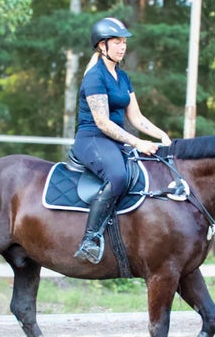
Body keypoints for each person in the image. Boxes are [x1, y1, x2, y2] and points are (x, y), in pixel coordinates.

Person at [72, 17, 173, 264]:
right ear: (101, 45)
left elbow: (135, 117)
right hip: (92, 138)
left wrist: (160, 135)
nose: (122, 46)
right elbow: (103, 122)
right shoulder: (94, 77)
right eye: (117, 42)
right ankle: (90, 239)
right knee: (117, 176)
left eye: (124, 42)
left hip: (114, 140)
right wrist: (138, 143)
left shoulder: (123, 76)